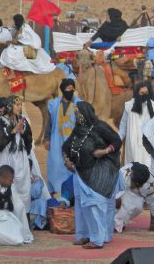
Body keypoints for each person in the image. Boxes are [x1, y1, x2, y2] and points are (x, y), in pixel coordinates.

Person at [62, 101, 122, 249]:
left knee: (94, 205)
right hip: (80, 171)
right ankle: (84, 235)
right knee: (82, 205)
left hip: (99, 172)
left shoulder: (99, 126)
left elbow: (117, 141)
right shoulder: (78, 130)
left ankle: (97, 239)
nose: (76, 115)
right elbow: (66, 146)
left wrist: (105, 151)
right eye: (75, 113)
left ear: (85, 113)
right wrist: (66, 160)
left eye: (78, 113)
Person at [44, 78, 82, 194]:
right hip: (56, 140)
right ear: (63, 89)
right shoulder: (54, 104)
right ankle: (56, 190)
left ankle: (71, 192)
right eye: (68, 88)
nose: (71, 91)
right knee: (56, 164)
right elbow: (49, 123)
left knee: (72, 166)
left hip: (73, 141)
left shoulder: (79, 104)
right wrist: (47, 138)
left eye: (72, 88)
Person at [114, 161, 154, 233]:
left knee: (136, 207)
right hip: (122, 190)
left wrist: (153, 223)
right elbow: (114, 186)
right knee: (114, 203)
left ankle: (119, 223)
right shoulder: (124, 171)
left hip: (137, 196)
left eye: (136, 184)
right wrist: (117, 197)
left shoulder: (151, 186)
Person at [118, 81, 154, 166]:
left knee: (148, 169)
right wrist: (116, 141)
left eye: (146, 93)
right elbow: (123, 127)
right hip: (132, 145)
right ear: (137, 93)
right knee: (132, 169)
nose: (144, 95)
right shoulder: (129, 106)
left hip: (148, 147)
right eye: (142, 93)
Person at [29, 158, 48, 230]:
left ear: (31, 168)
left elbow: (35, 195)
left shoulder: (36, 179)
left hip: (32, 202)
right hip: (22, 202)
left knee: (42, 202)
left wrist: (31, 183)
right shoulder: (16, 178)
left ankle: (39, 224)